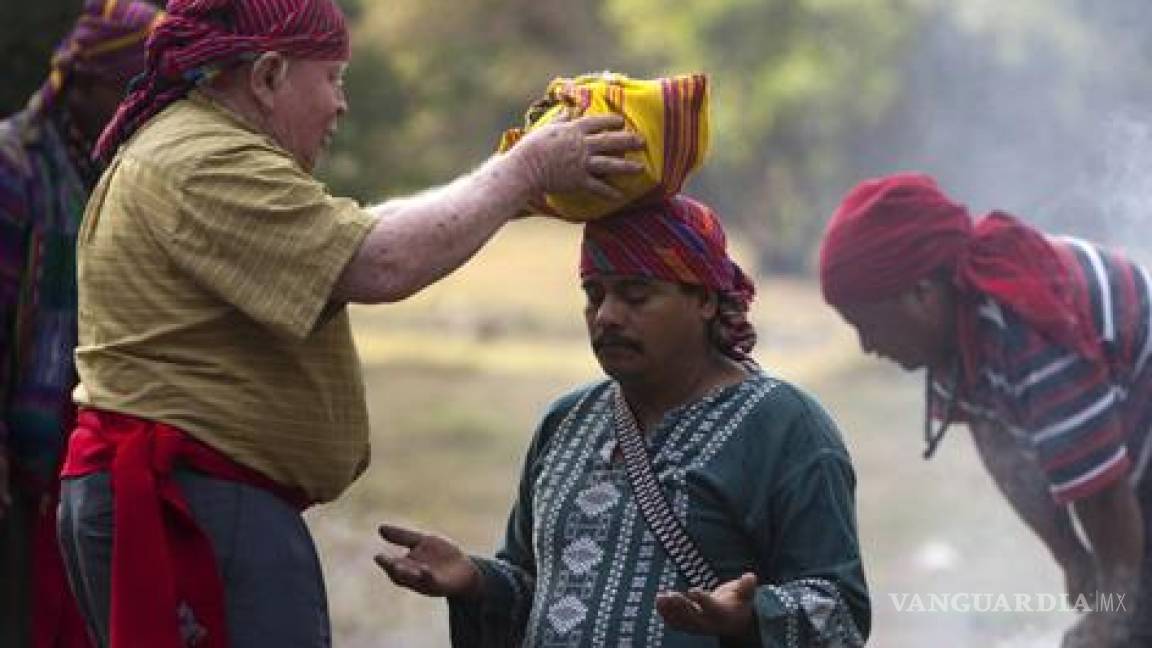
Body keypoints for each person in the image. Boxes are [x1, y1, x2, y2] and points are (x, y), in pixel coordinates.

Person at [54, 0, 645, 646]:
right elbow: (379, 261)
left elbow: (362, 230)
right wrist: (522, 170)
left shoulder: (193, 149)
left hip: (194, 495)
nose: (341, 105)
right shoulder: (205, 162)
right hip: (195, 502)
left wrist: (507, 196)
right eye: (332, 78)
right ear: (269, 76)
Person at [376, 195, 870, 647]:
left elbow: (840, 609)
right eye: (595, 294)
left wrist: (748, 617)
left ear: (704, 300)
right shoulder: (566, 422)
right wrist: (476, 581)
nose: (607, 316)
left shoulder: (785, 426)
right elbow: (534, 588)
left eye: (636, 296)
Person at [818, 172, 1151, 647]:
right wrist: (1070, 555)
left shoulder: (1028, 328)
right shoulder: (960, 328)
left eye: (868, 324)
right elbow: (1003, 452)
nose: (868, 346)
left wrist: (1111, 617)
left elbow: (1104, 494)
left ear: (922, 293)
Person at [0, 2, 160, 646]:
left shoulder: (117, 171)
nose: (141, 106)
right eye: (130, 88)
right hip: (24, 448)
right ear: (88, 83)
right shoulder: (15, 167)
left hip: (92, 446)